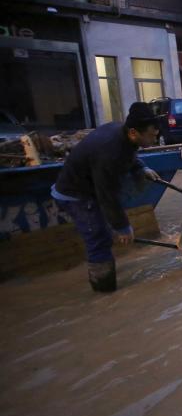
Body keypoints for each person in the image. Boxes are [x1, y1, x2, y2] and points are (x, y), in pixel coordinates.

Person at [51, 102, 162, 292]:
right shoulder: (109, 151)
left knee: (104, 230)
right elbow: (107, 194)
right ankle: (104, 289)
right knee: (99, 238)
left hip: (91, 186)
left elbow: (129, 155)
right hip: (76, 194)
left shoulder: (123, 134)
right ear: (134, 132)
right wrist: (122, 227)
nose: (156, 139)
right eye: (152, 135)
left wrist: (142, 168)